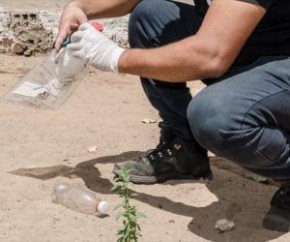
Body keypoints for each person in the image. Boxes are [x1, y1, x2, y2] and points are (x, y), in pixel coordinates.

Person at [56, 0, 290, 232]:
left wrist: (115, 57)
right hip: (257, 45)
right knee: (150, 16)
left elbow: (211, 56)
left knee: (215, 116)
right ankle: (184, 150)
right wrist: (81, 7)